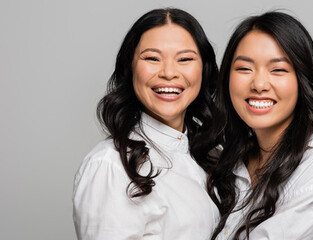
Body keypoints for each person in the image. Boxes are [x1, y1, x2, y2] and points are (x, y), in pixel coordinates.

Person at [207, 11, 313, 240]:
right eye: (244, 69)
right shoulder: (234, 160)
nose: (258, 84)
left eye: (278, 70)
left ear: (303, 81)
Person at [72, 8, 221, 239]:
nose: (169, 72)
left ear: (204, 69)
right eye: (152, 58)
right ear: (130, 68)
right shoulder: (111, 166)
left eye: (185, 59)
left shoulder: (207, 157)